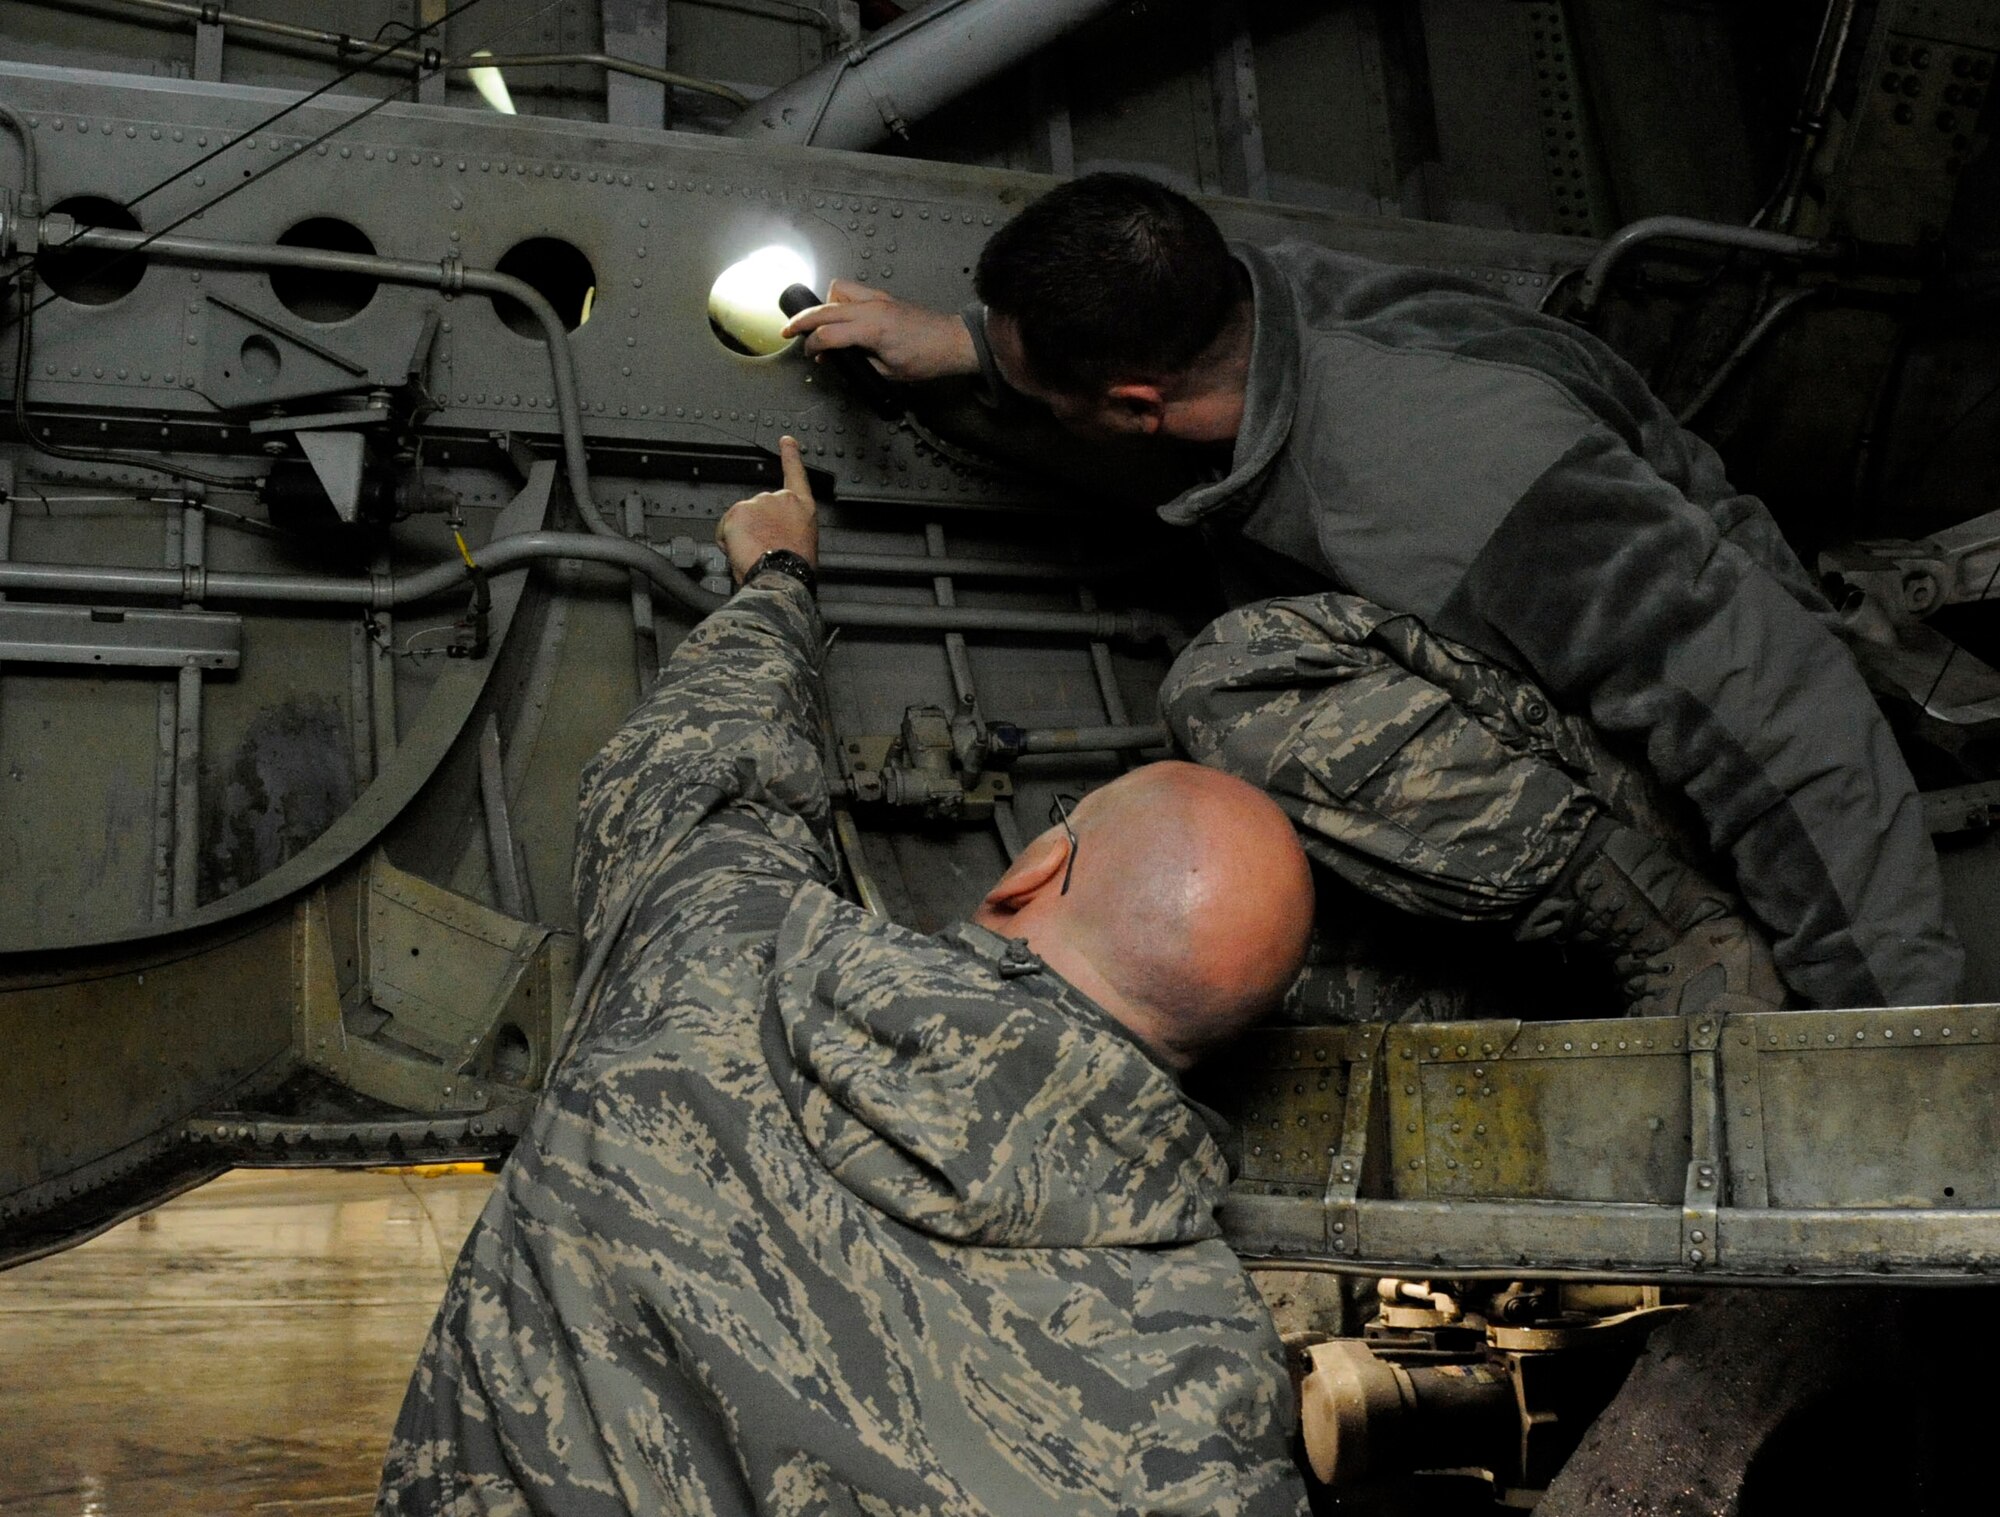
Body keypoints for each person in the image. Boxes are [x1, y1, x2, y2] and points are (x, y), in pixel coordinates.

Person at [376, 437, 1316, 1516]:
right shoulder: (1208, 1375)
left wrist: (778, 578)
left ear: (1033, 869)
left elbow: (689, 767)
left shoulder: (717, 955)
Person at [783, 173, 1964, 1015]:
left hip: (1725, 775)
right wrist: (962, 347)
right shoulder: (1273, 303)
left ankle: (1667, 919)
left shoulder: (1455, 481)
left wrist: (1891, 1040)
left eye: (1057, 399)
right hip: (1588, 683)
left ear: (1139, 406)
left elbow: (1778, 707)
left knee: (1239, 683)